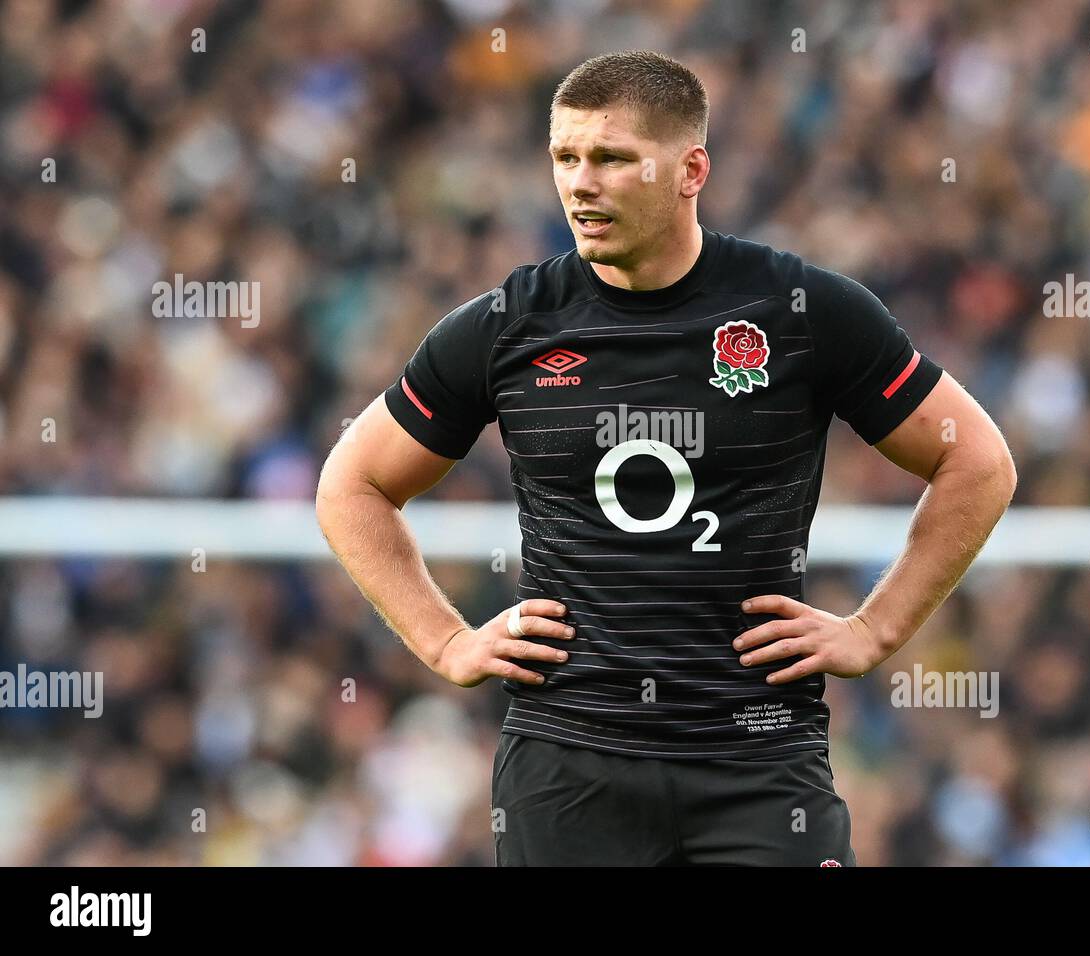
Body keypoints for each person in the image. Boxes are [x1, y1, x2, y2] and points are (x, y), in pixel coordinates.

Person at [316, 50, 1017, 866]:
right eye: (565, 158)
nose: (581, 183)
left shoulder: (801, 311)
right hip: (568, 768)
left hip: (758, 763)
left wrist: (875, 628)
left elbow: (978, 463)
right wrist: (445, 641)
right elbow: (353, 485)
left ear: (691, 169)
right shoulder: (507, 324)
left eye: (611, 158)